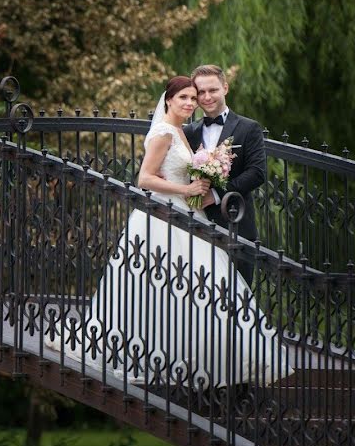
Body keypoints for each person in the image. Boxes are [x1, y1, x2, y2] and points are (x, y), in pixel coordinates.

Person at [43, 76, 293, 391]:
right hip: (164, 217)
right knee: (159, 286)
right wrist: (186, 187)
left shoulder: (184, 132)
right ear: (168, 100)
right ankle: (150, 356)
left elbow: (250, 171)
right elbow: (144, 178)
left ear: (223, 90)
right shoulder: (164, 131)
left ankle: (194, 358)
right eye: (184, 97)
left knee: (193, 285)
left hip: (191, 214)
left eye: (194, 97)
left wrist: (203, 185)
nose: (191, 103)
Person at [183, 64, 266, 285]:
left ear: (225, 88)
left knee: (238, 300)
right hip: (195, 225)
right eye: (201, 92)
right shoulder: (188, 132)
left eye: (213, 90)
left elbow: (257, 173)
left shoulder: (248, 128)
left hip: (236, 224)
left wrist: (216, 194)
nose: (207, 97)